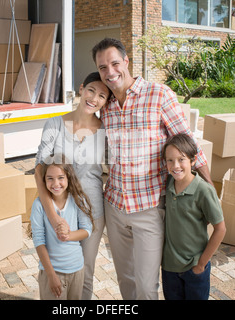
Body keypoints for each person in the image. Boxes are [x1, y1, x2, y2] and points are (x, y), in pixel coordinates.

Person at [91, 37, 213, 300]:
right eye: (103, 68)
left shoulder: (158, 94)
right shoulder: (107, 106)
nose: (110, 72)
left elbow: (188, 144)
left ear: (126, 61)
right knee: (126, 281)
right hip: (114, 206)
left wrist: (209, 190)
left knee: (146, 287)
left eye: (114, 63)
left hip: (149, 208)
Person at [34, 72, 110, 299]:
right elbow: (39, 171)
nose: (94, 99)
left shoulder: (106, 130)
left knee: (84, 272)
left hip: (92, 210)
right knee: (55, 270)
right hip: (56, 209)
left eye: (102, 96)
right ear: (81, 89)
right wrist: (54, 217)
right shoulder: (55, 124)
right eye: (91, 91)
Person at [161, 133, 226, 300]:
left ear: (193, 160)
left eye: (181, 159)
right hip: (170, 268)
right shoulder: (168, 184)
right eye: (170, 160)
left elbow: (220, 228)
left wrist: (202, 264)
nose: (176, 165)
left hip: (195, 268)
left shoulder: (203, 191)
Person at [30, 157, 94, 300]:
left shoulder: (78, 200)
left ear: (68, 178)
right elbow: (39, 241)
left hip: (77, 270)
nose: (56, 183)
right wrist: (51, 275)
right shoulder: (39, 205)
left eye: (60, 178)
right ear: (44, 181)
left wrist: (68, 235)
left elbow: (87, 230)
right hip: (52, 272)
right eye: (50, 178)